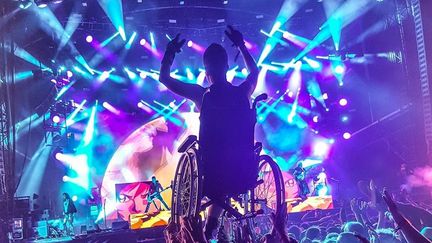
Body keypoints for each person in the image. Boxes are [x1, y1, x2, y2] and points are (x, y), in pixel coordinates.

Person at [159, 25, 259, 240]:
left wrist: (170, 53)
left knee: (209, 165)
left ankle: (203, 228)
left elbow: (165, 79)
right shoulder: (243, 92)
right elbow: (255, 72)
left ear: (207, 72)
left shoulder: (201, 94)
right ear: (226, 67)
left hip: (211, 171)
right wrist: (241, 45)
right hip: (243, 168)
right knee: (224, 170)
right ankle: (212, 224)